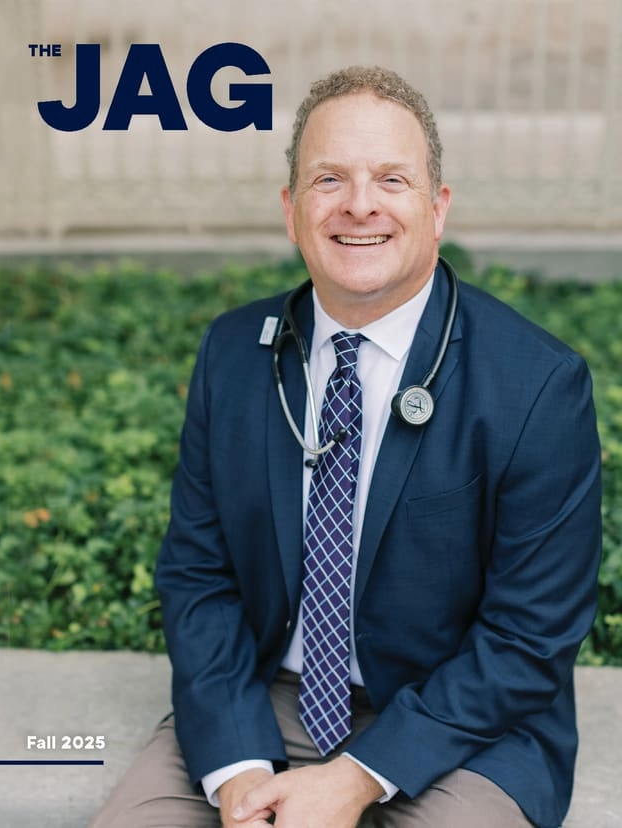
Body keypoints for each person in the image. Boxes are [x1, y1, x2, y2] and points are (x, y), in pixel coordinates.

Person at [89, 65, 601, 828]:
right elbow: (199, 578)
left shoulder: (535, 385)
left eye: (391, 179)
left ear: (438, 207)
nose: (360, 204)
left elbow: (529, 638)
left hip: (464, 725)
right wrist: (235, 768)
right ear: (293, 211)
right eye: (329, 179)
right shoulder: (233, 354)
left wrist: (357, 777)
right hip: (267, 697)